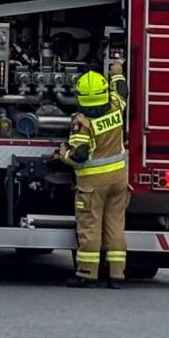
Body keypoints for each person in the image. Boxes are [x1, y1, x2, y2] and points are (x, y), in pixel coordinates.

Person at [59, 64, 129, 288]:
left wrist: (63, 155)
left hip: (92, 184)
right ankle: (117, 275)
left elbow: (79, 155)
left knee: (90, 227)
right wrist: (116, 70)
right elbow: (122, 90)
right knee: (115, 226)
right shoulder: (116, 107)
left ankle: (87, 273)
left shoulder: (83, 122)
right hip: (119, 179)